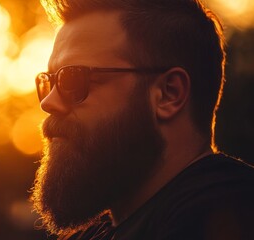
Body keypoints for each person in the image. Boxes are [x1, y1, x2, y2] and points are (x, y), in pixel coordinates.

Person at [30, 0, 254, 239]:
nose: (48, 103)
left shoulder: (232, 212)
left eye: (73, 79)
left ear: (169, 94)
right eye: (50, 81)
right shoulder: (97, 232)